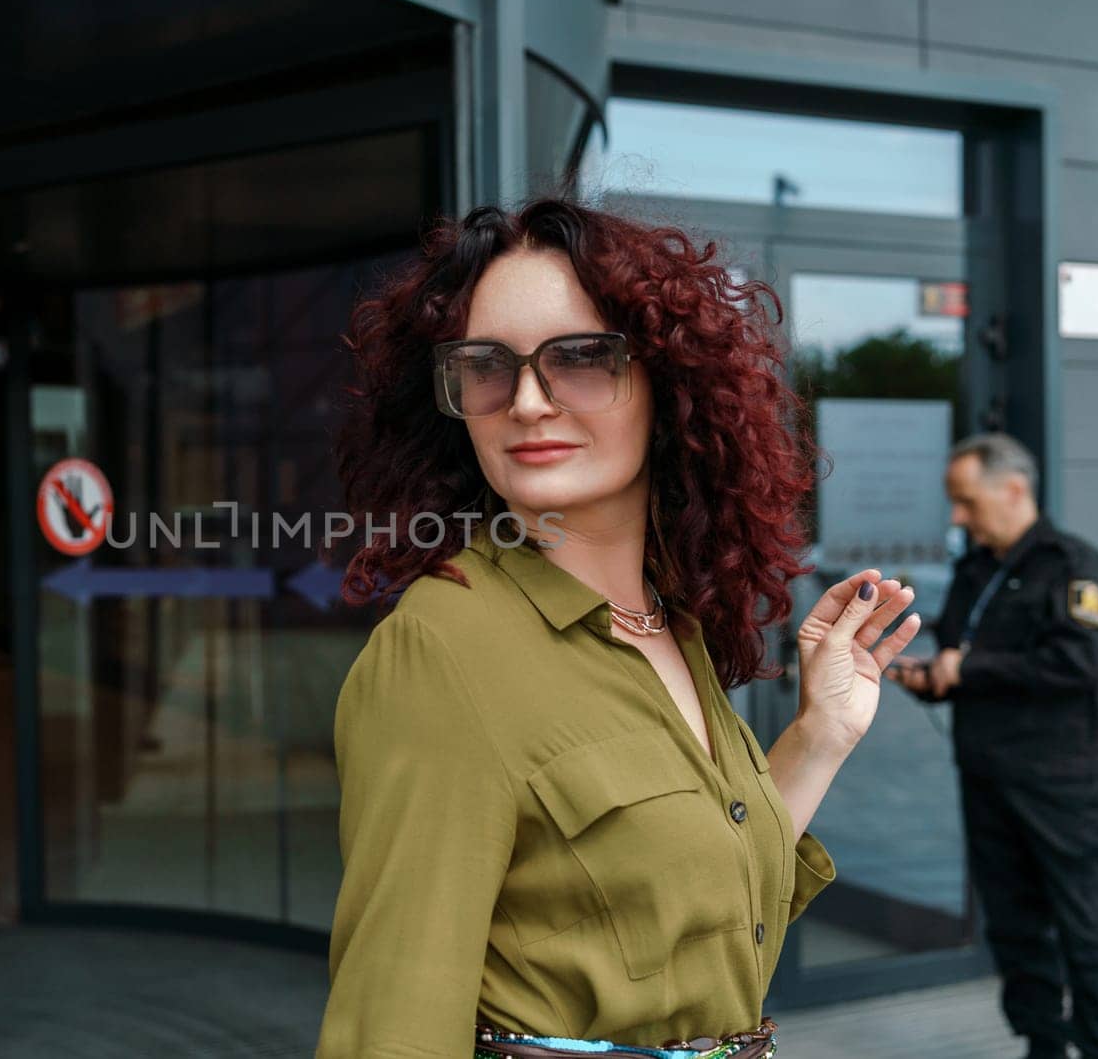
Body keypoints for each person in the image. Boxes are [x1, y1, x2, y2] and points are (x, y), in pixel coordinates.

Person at [315, 195, 922, 1057]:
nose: (526, 400)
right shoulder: (442, 647)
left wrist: (821, 734)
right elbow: (392, 1022)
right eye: (487, 365)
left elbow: (714, 918)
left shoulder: (670, 624)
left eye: (581, 358)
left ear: (668, 383)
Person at [888, 433, 1098, 1059]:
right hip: (990, 784)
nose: (957, 518)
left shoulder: (1074, 568)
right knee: (1018, 935)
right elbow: (968, 663)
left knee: (1090, 941)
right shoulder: (977, 570)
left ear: (1014, 489)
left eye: (966, 502)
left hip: (1066, 793)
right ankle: (1042, 1046)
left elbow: (1076, 662)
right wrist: (930, 678)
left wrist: (967, 670)